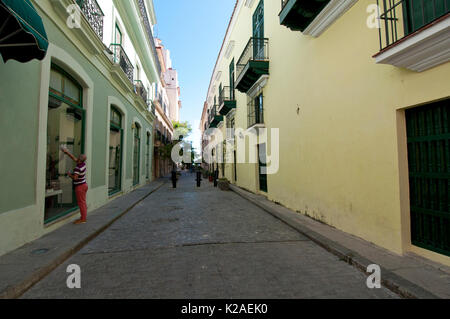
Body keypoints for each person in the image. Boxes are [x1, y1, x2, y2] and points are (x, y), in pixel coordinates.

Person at [62, 147, 88, 224]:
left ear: (79, 159)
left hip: (80, 187)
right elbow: (74, 158)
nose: (76, 158)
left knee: (81, 203)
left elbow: (75, 178)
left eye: (78, 157)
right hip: (84, 185)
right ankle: (83, 217)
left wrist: (69, 175)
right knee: (83, 202)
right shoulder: (82, 164)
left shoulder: (78, 168)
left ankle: (83, 219)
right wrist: (67, 152)